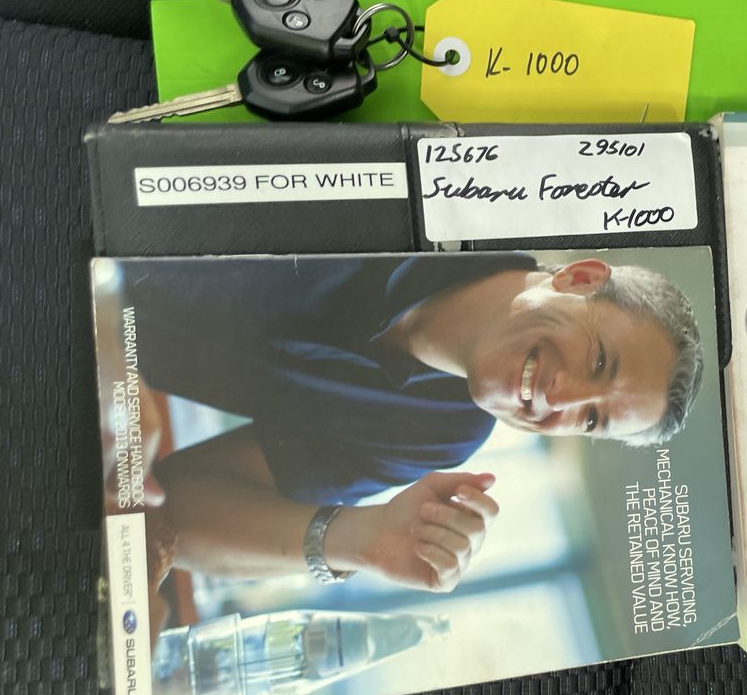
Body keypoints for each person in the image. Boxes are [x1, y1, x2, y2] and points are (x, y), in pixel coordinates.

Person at [125, 251, 705, 593]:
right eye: (599, 361)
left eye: (592, 418)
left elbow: (174, 514)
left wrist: (362, 540)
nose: (564, 397)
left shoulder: (443, 430)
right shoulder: (439, 201)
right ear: (578, 279)